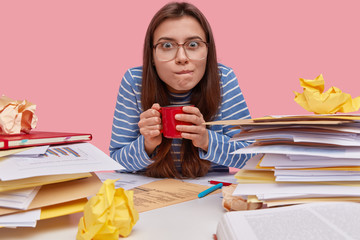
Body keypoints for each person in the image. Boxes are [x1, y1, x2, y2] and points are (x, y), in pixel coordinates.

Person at [109, 2, 252, 178]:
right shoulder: (135, 82)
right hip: (150, 194)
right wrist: (147, 144)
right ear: (152, 55)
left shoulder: (223, 79)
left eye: (193, 45)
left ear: (208, 50)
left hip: (209, 195)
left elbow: (252, 158)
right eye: (167, 46)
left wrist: (206, 139)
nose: (182, 58)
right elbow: (115, 162)